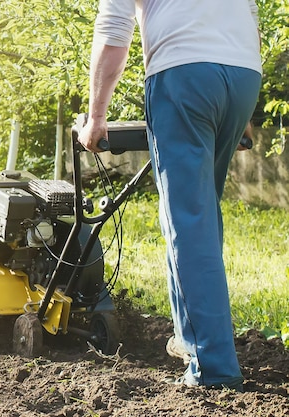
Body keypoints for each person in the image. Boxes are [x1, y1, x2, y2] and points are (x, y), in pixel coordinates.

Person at [77, 0, 262, 392]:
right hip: (243, 75)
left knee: (188, 222)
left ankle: (213, 366)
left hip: (184, 74)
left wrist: (96, 116)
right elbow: (248, 14)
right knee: (198, 212)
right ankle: (189, 338)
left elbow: (113, 30)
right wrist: (242, 111)